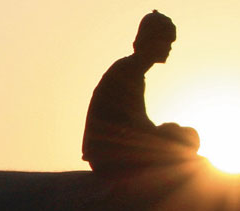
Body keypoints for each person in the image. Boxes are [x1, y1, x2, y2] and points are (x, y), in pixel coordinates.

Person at [82, 10, 199, 175]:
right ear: (150, 40)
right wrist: (167, 133)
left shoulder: (133, 71)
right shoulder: (127, 71)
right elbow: (138, 123)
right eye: (165, 40)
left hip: (116, 150)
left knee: (184, 135)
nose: (169, 47)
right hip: (110, 154)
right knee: (184, 139)